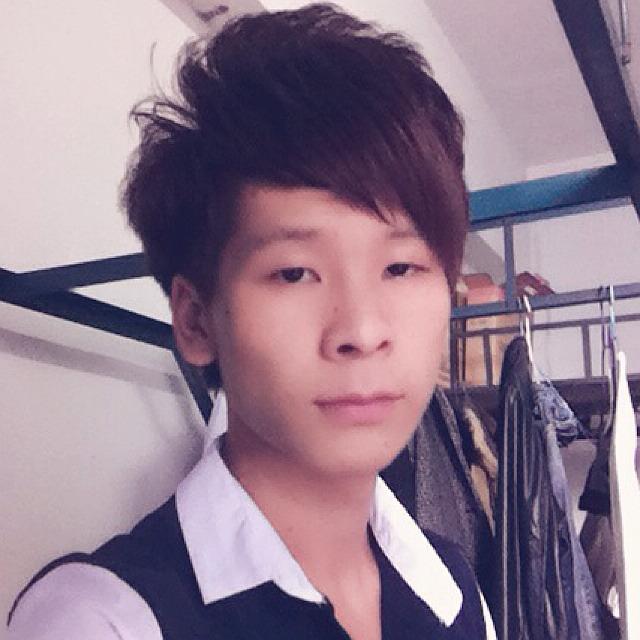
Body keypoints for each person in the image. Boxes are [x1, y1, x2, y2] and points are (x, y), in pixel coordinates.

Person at [8, 4, 495, 639]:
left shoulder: (453, 591)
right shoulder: (106, 621)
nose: (362, 331)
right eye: (294, 273)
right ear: (196, 321)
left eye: (401, 267)